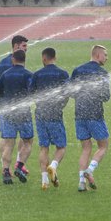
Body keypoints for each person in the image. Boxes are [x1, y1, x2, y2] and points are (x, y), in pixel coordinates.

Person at [71, 45, 110, 192]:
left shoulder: (77, 70)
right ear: (98, 55)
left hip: (79, 114)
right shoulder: (102, 73)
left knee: (86, 148)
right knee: (103, 146)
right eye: (105, 55)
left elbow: (71, 92)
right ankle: (90, 169)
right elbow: (106, 96)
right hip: (95, 115)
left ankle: (81, 183)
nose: (107, 58)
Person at [30, 47, 70, 191]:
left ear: (44, 58)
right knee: (61, 147)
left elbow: (31, 94)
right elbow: (67, 94)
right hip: (55, 114)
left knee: (43, 147)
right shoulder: (63, 73)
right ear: (55, 57)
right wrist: (60, 106)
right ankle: (53, 166)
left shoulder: (37, 74)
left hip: (40, 114)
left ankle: (44, 181)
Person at [0, 35, 30, 177]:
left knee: (7, 136)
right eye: (24, 46)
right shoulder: (12, 65)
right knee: (12, 138)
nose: (27, 49)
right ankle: (13, 165)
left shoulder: (1, 63)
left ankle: (10, 166)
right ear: (16, 46)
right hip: (15, 107)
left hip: (4, 105)